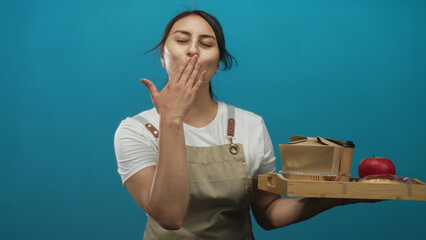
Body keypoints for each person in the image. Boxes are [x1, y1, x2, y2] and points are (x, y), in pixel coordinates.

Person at [114, 10, 368, 240]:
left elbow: (268, 213)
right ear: (162, 56)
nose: (193, 50)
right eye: (182, 40)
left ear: (218, 64)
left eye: (206, 43)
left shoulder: (251, 125)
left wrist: (335, 197)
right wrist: (171, 120)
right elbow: (169, 217)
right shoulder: (135, 130)